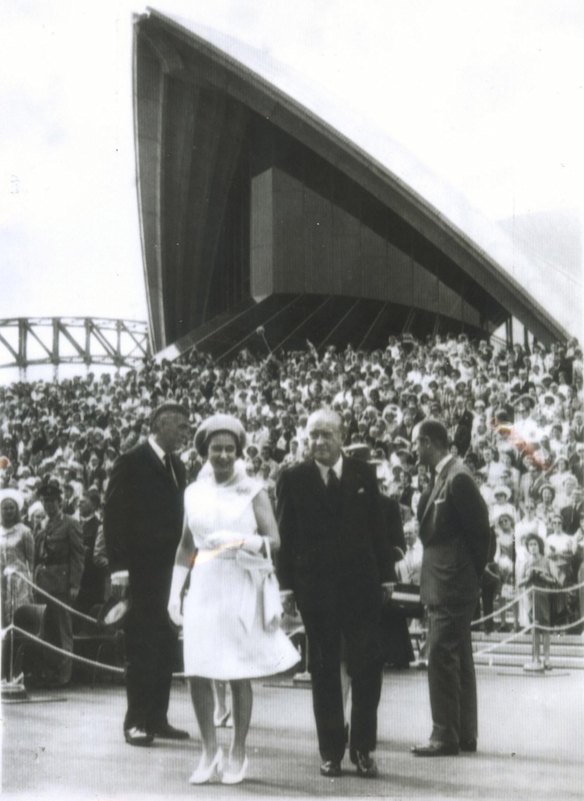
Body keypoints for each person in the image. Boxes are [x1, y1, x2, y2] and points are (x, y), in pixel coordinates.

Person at [168, 414, 299, 785]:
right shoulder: (194, 492)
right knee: (198, 669)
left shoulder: (254, 490)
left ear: (238, 451)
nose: (223, 455)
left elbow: (274, 540)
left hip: (241, 581)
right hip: (205, 583)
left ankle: (238, 750)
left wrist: (241, 540)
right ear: (205, 452)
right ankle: (209, 751)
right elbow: (185, 547)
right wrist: (174, 593)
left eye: (229, 449)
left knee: (239, 671)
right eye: (216, 449)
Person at [276, 409, 391, 778]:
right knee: (324, 672)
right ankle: (330, 752)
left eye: (326, 435)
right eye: (313, 436)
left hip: (362, 588)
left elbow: (379, 529)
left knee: (367, 669)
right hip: (316, 591)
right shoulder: (293, 478)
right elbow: (285, 536)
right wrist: (286, 586)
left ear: (342, 436)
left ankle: (363, 749)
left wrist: (387, 576)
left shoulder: (363, 473)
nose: (319, 442)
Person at [103, 402, 191, 746]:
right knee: (140, 648)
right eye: (181, 426)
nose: (186, 433)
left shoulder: (177, 466)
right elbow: (114, 516)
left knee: (166, 646)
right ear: (160, 424)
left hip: (170, 574)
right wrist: (119, 569)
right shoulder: (131, 461)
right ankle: (135, 721)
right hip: (139, 573)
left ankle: (157, 718)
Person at [411, 419, 490, 756]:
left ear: (429, 443)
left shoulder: (457, 477)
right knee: (459, 660)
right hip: (449, 582)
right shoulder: (444, 476)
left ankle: (444, 734)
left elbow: (481, 533)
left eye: (416, 444)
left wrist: (469, 574)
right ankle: (463, 734)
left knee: (442, 656)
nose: (414, 451)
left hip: (452, 584)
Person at [33, 482, 85, 687]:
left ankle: (65, 674)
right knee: (45, 628)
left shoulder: (70, 523)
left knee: (64, 628)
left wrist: (74, 584)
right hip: (42, 582)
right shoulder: (42, 524)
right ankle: (47, 671)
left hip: (61, 582)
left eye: (52, 501)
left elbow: (78, 556)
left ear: (60, 502)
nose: (49, 506)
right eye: (46, 502)